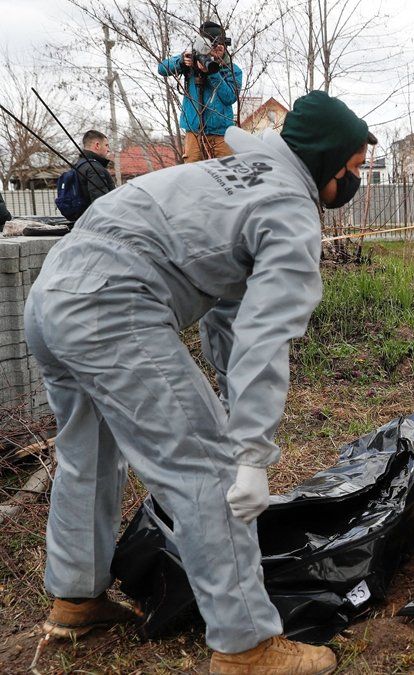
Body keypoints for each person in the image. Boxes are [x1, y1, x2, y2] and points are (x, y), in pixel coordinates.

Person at [27, 90, 375, 674]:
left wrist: (236, 408)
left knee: (87, 453)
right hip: (113, 302)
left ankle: (76, 599)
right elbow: (265, 337)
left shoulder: (228, 174)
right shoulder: (289, 209)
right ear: (327, 161)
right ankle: (246, 646)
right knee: (208, 470)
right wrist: (249, 454)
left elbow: (228, 316)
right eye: (355, 168)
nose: (356, 180)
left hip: (51, 294)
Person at [157, 20, 243, 162]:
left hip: (222, 133)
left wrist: (212, 73)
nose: (219, 47)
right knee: (192, 171)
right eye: (214, 43)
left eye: (222, 43)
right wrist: (181, 61)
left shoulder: (233, 70)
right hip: (194, 132)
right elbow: (162, 69)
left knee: (227, 170)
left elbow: (229, 97)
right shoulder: (191, 62)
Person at [74, 129, 117, 205]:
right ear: (97, 145)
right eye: (106, 145)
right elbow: (101, 203)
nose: (108, 150)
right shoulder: (94, 168)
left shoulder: (78, 165)